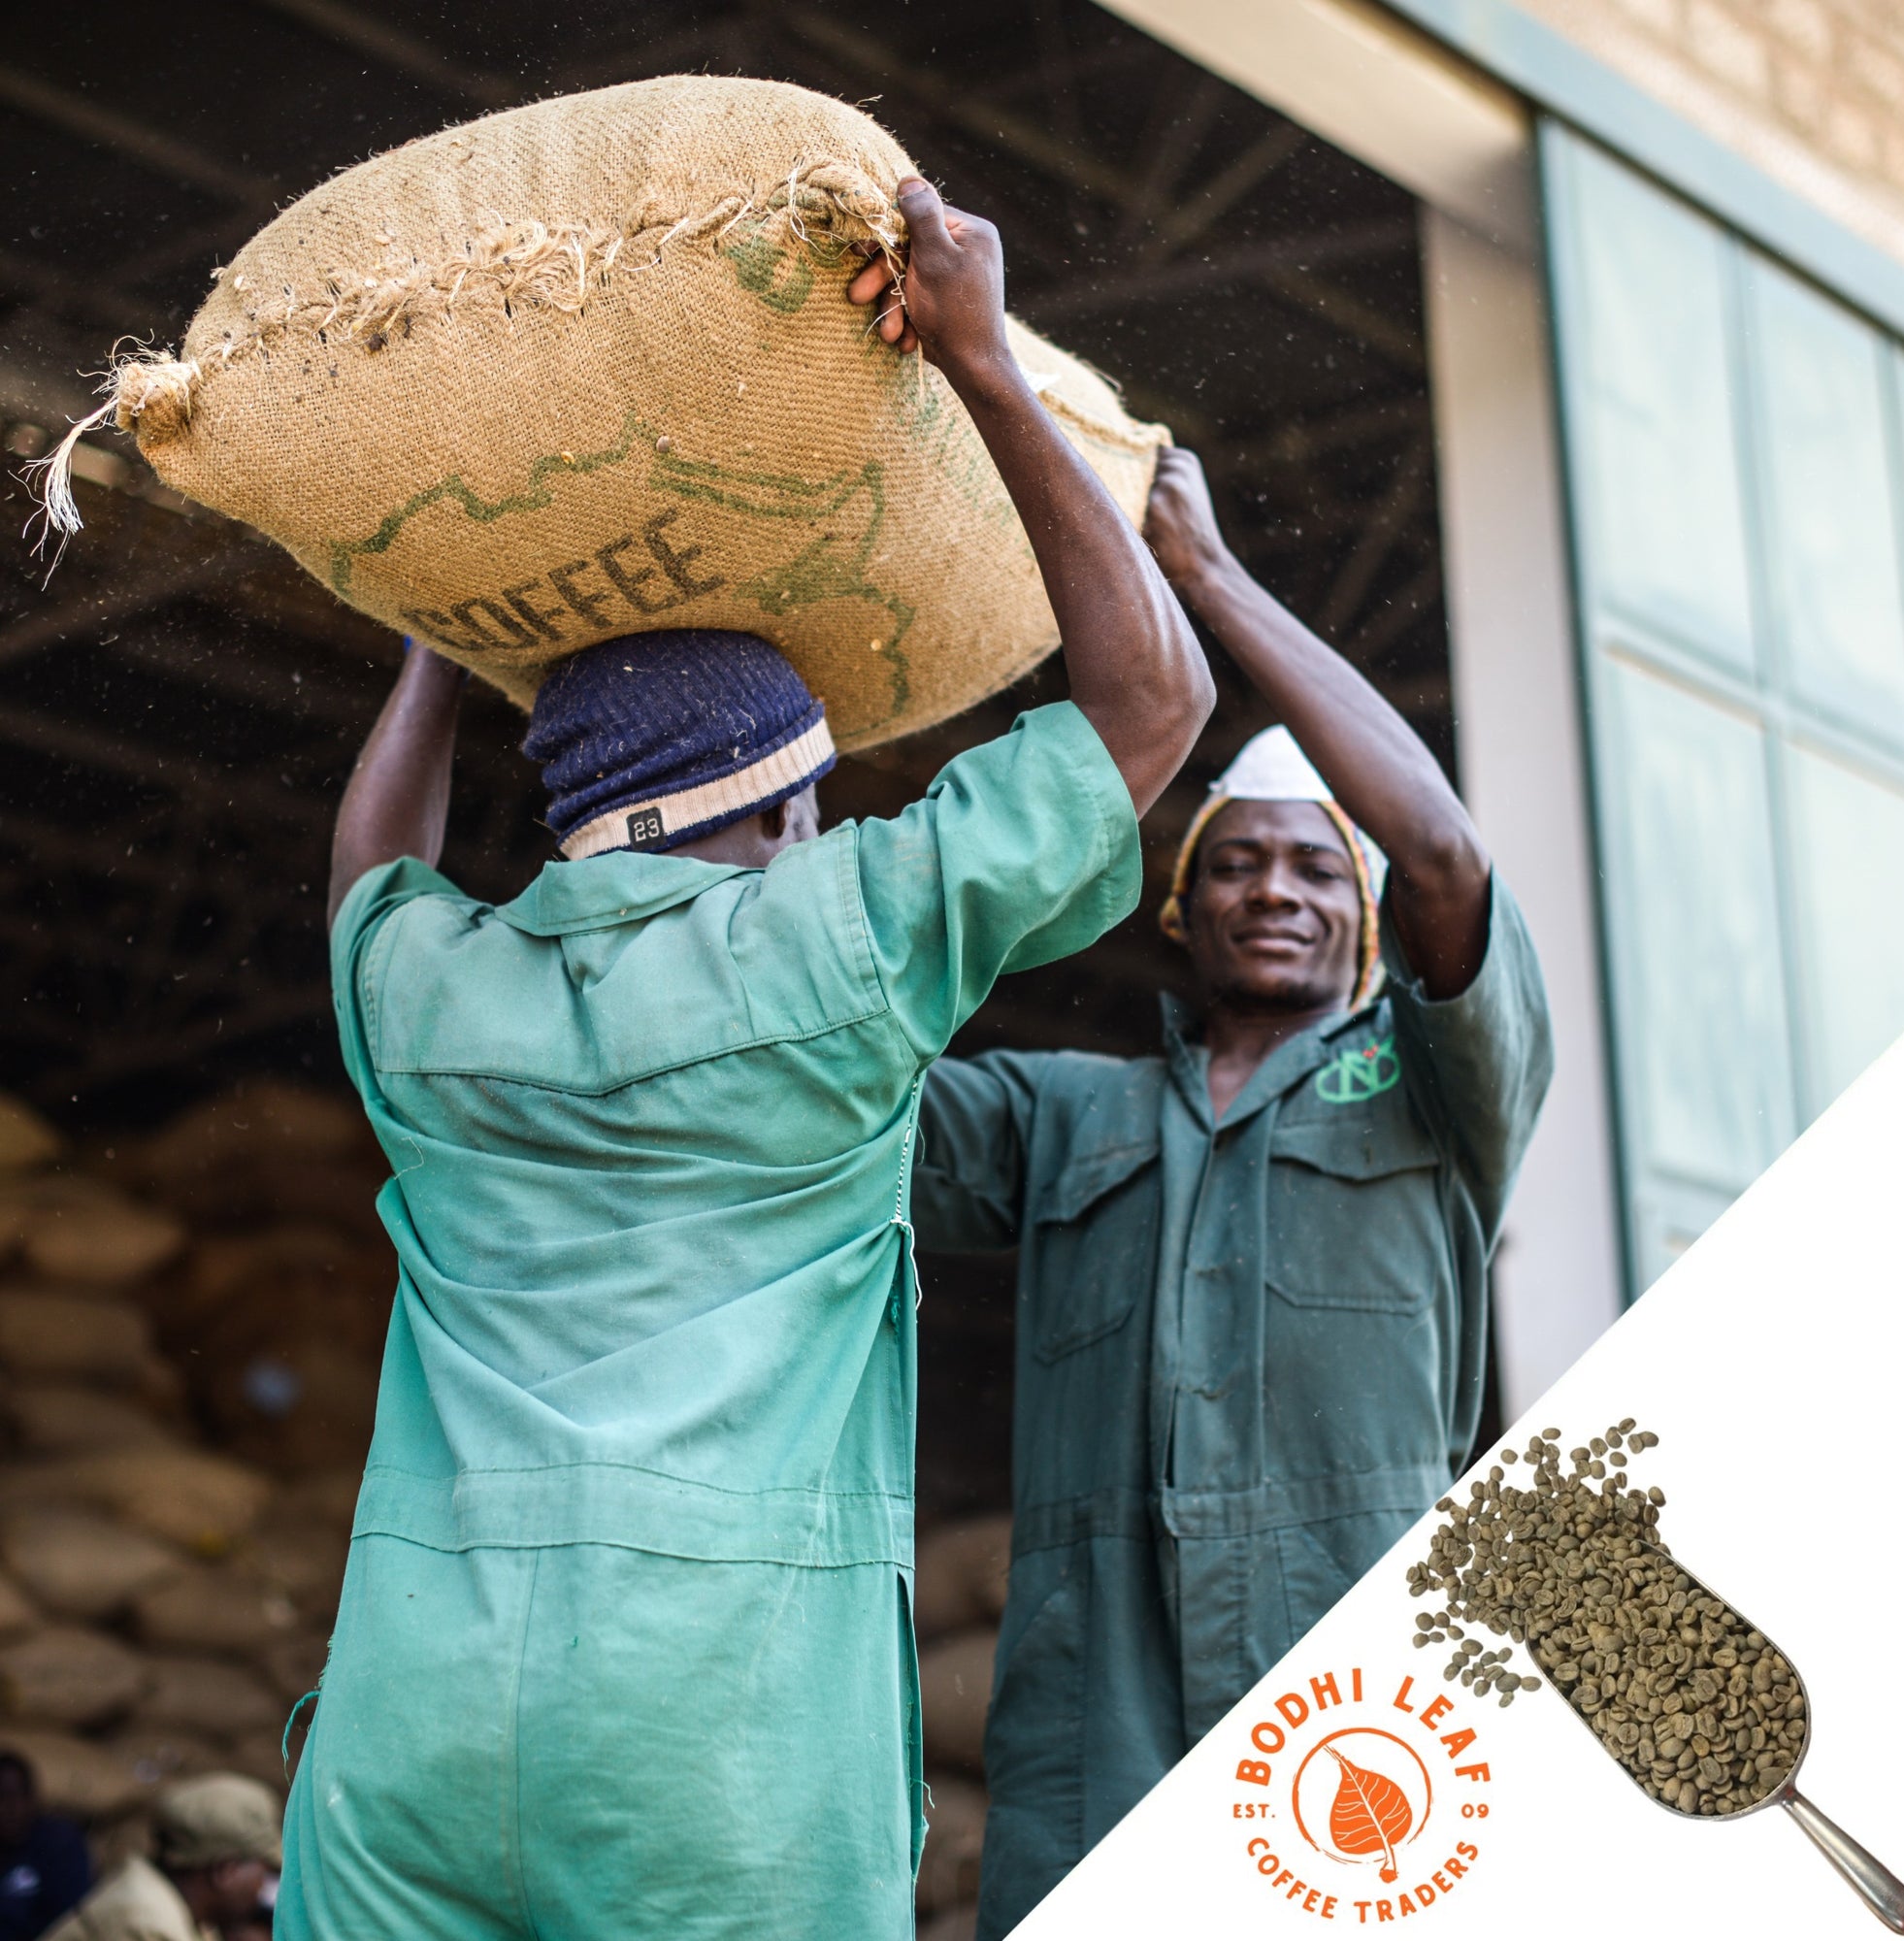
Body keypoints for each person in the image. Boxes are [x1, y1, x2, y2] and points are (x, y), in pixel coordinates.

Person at [276, 178, 1211, 1941]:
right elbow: (1152, 704)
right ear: (781, 804)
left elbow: (369, 881)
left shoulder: (431, 1002)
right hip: (714, 1758)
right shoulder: (844, 943)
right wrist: (990, 369)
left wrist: (436, 630)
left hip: (414, 1733)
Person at [911, 446, 1555, 1938]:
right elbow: (834, 1097)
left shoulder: (1432, 1094)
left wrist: (1208, 583)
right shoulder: (1063, 1117)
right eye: (1241, 866)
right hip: (1095, 1732)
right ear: (1178, 905)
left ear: (1369, 925)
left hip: (1357, 1707)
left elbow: (1447, 856)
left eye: (1321, 873)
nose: (1277, 890)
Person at [42, 1774, 279, 1941]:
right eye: (264, 1871)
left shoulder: (174, 1910)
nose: (263, 1887)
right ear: (226, 1871)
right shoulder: (145, 1924)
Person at [0, 1754, 88, 1941]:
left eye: (17, 1795)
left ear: (32, 1799)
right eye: (2, 1797)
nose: (10, 1808)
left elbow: (72, 1918)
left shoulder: (59, 1845)